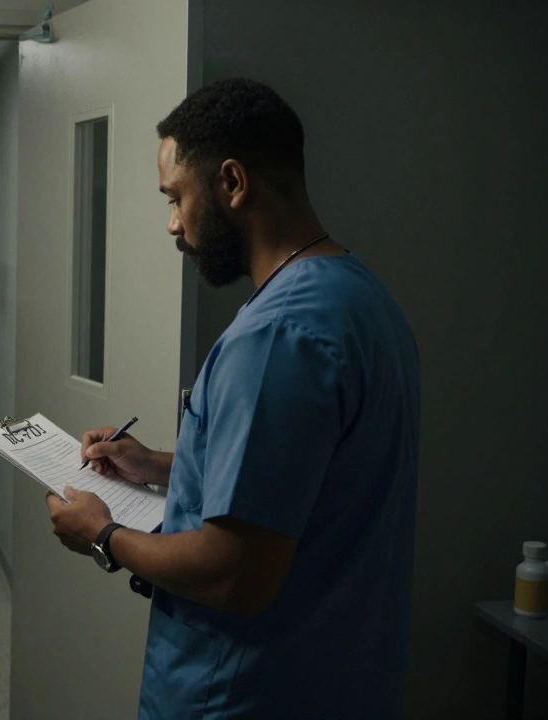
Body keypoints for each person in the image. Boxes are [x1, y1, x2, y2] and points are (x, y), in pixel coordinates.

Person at [47, 78, 421, 719]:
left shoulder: (276, 336)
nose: (173, 224)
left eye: (176, 198)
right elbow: (307, 479)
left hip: (243, 691)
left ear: (231, 183)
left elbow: (235, 574)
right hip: (340, 678)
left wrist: (101, 534)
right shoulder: (360, 300)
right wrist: (160, 466)